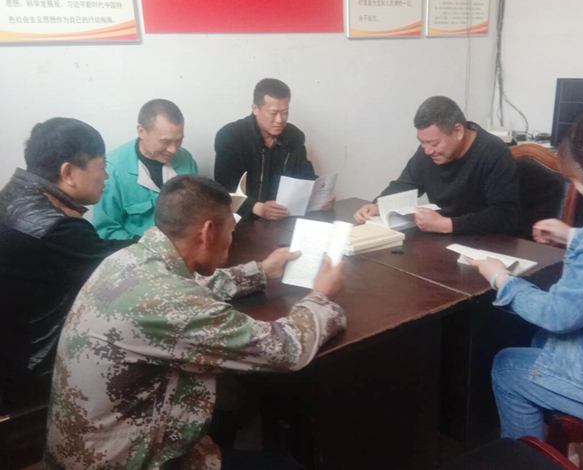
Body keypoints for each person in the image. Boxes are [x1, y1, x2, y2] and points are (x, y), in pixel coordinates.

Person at [45, 174, 346, 470]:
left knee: (235, 403)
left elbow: (190, 286)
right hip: (129, 461)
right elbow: (285, 349)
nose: (231, 237)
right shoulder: (170, 301)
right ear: (208, 232)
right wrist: (321, 296)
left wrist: (261, 271)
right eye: (231, 229)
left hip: (88, 449)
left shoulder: (129, 260)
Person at [469, 110, 583, 439]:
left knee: (507, 366)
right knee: (541, 342)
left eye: (576, 180)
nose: (577, 188)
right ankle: (566, 441)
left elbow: (557, 315)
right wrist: (572, 235)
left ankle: (528, 459)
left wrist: (501, 279)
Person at [0, 118, 133, 406]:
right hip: (36, 372)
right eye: (101, 167)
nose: (106, 177)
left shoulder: (12, 194)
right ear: (68, 173)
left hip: (11, 350)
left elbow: (92, 249)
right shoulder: (58, 229)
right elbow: (122, 274)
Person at [354, 96, 520, 235]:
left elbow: (506, 215)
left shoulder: (493, 152)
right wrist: (378, 206)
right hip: (443, 239)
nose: (427, 150)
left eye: (433, 143)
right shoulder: (428, 151)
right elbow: (405, 184)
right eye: (422, 142)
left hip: (486, 243)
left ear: (458, 131)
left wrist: (448, 224)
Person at [214, 78, 335, 220]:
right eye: (273, 113)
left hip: (284, 217)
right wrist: (257, 208)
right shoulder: (230, 136)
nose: (280, 120)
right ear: (255, 109)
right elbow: (224, 188)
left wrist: (322, 197)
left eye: (285, 112)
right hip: (241, 221)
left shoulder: (294, 136)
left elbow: (305, 176)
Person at [93, 99, 197, 239]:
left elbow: (196, 211)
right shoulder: (112, 169)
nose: (173, 149)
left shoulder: (186, 159)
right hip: (135, 249)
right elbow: (106, 230)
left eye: (178, 140)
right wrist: (147, 247)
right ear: (141, 131)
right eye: (165, 141)